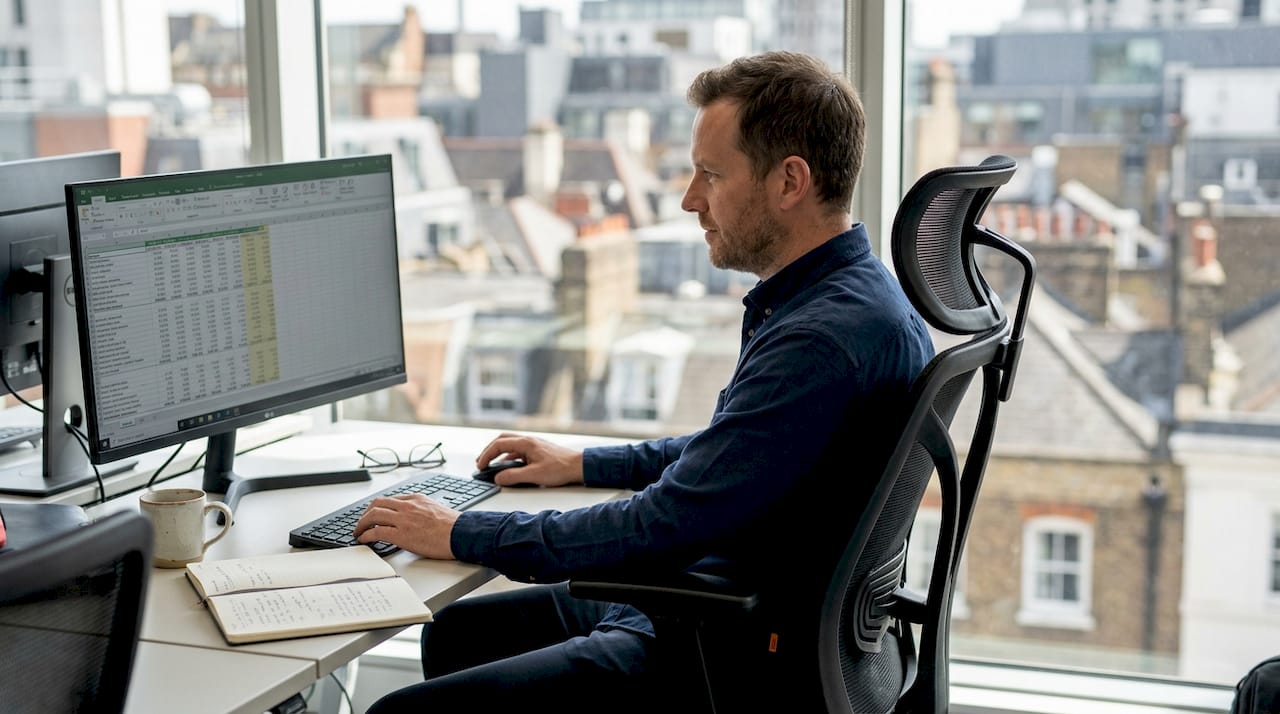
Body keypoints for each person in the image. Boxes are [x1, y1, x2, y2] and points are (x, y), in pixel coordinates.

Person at [357, 50, 934, 713]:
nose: (691, 199)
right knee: (460, 632)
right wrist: (582, 462)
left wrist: (459, 533)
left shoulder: (818, 341)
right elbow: (738, 452)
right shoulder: (852, 299)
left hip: (734, 653)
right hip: (747, 614)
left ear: (790, 181)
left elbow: (663, 524)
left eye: (711, 175)